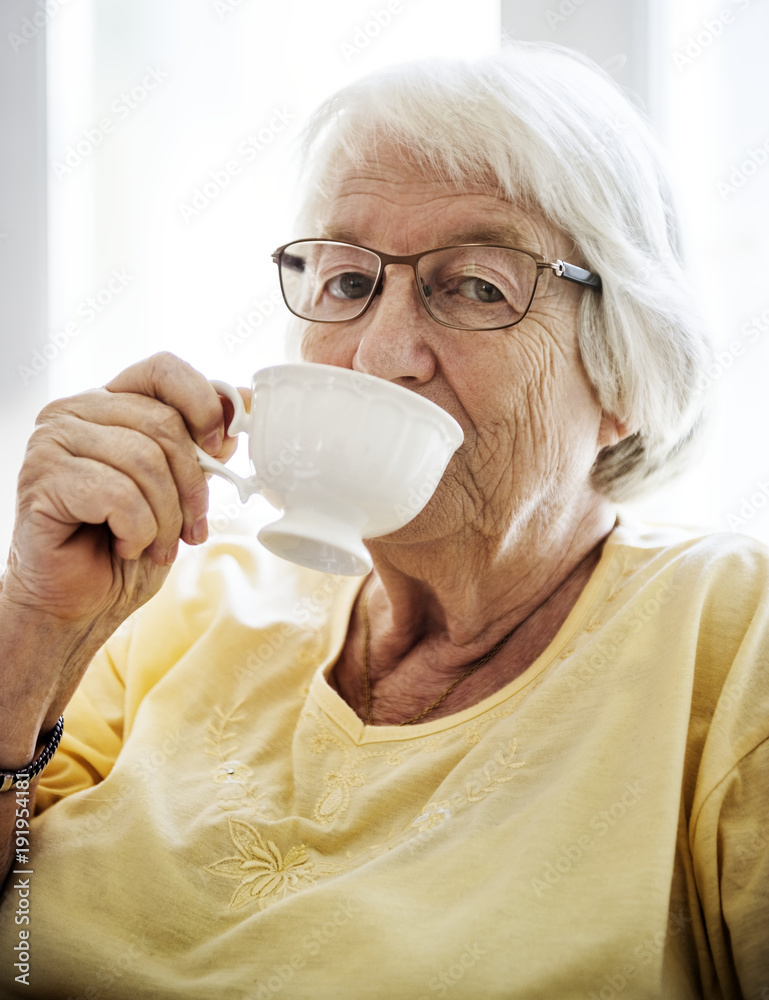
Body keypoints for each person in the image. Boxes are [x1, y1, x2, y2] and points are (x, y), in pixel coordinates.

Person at [1, 41, 767, 1000]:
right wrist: (33, 630)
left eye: (476, 285)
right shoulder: (174, 611)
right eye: (348, 283)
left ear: (623, 375)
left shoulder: (734, 641)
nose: (380, 353)